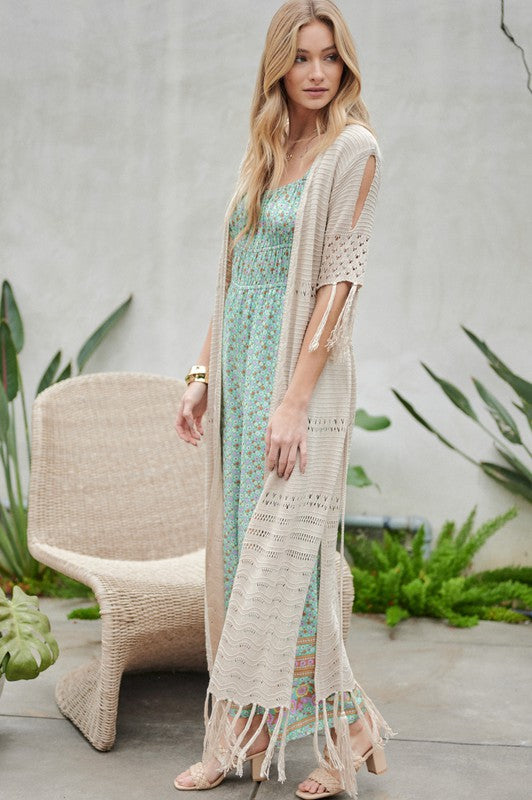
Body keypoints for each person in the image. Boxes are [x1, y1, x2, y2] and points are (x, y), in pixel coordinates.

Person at [174, 2, 395, 797]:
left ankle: (247, 735)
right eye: (302, 57)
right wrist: (202, 377)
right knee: (243, 557)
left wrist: (295, 400)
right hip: (241, 377)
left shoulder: (353, 150)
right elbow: (232, 281)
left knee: (284, 562)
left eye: (329, 57)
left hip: (302, 382)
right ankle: (338, 730)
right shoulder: (267, 150)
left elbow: (340, 281)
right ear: (280, 64)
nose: (315, 72)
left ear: (345, 64)